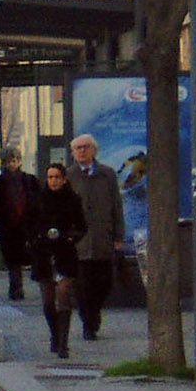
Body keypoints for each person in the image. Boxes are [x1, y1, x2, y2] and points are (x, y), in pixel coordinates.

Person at [66, 133, 126, 340]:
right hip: (79, 243)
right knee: (82, 286)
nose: (82, 151)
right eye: (78, 148)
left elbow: (116, 206)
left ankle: (95, 312)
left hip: (103, 239)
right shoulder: (69, 175)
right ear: (73, 152)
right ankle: (88, 323)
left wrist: (119, 236)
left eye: (86, 147)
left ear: (94, 150)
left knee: (104, 283)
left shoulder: (107, 174)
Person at [29, 162, 87, 358]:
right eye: (50, 177)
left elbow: (82, 226)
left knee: (63, 296)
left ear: (64, 180)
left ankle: (63, 342)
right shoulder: (38, 199)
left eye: (57, 177)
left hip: (65, 254)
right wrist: (35, 239)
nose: (53, 181)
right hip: (44, 255)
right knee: (47, 302)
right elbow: (29, 225)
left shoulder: (72, 199)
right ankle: (54, 334)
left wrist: (70, 238)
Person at [0, 147, 40, 300]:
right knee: (12, 260)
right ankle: (16, 288)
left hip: (27, 226)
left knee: (28, 255)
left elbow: (39, 203)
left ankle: (29, 281)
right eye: (8, 162)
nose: (11, 164)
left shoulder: (30, 181)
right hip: (7, 227)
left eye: (14, 161)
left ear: (19, 162)